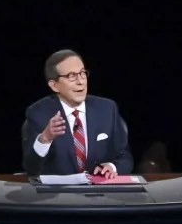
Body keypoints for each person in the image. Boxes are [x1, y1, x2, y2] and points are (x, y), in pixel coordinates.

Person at [22, 49, 132, 178]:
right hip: (58, 195)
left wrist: (112, 167)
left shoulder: (107, 109)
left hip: (98, 193)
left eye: (82, 73)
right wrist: (45, 139)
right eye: (71, 76)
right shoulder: (38, 113)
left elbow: (125, 158)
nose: (81, 81)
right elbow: (31, 168)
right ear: (54, 85)